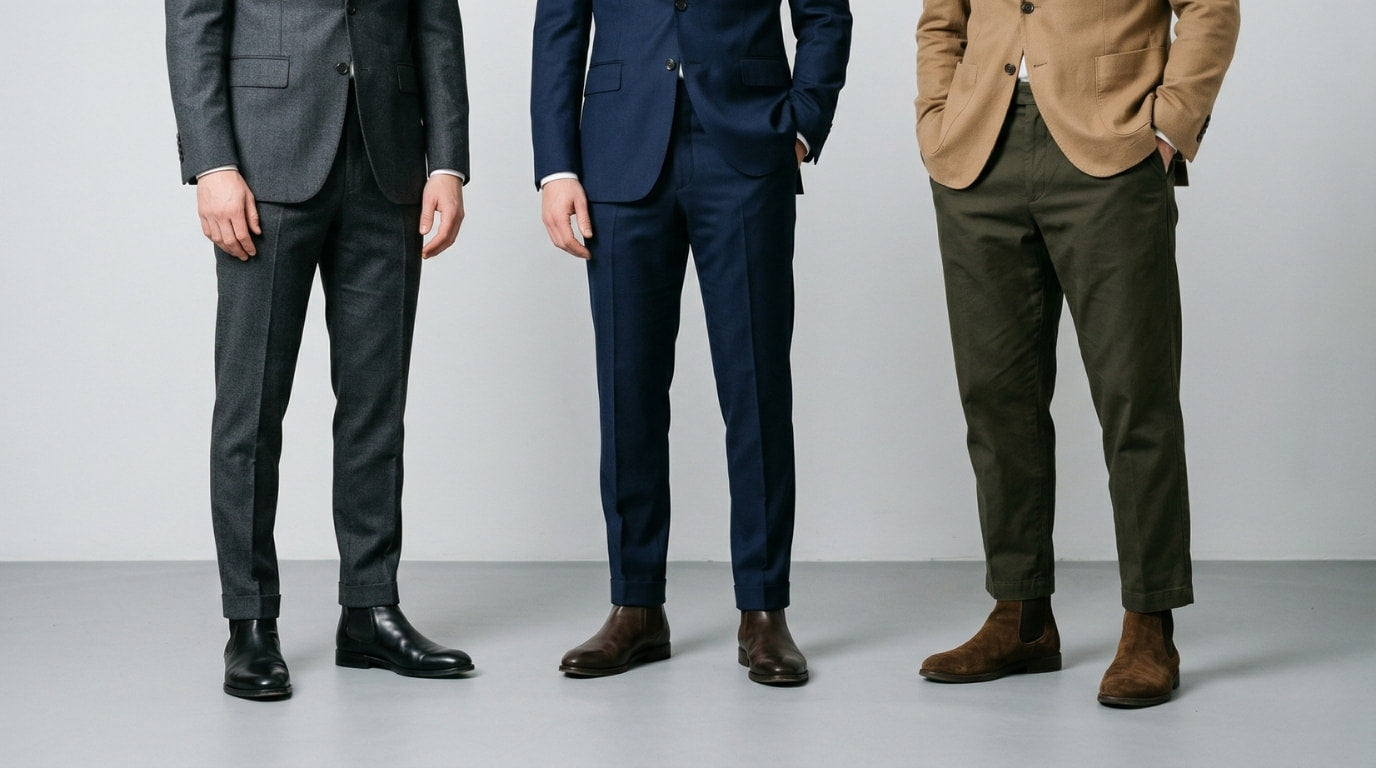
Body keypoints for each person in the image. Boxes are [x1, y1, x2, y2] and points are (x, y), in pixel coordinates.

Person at [914, 0, 1239, 707]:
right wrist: (936, 117)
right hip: (977, 151)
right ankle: (1021, 614)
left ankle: (1150, 622)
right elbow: (942, 18)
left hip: (1111, 145)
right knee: (996, 397)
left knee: (1134, 394)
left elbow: (1210, 7)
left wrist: (1170, 123)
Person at [531, 0, 851, 685]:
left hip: (746, 144)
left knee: (755, 386)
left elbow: (826, 13)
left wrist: (802, 123)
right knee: (628, 389)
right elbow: (558, 21)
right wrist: (556, 168)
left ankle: (764, 612)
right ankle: (636, 605)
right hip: (619, 152)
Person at [166, 0, 474, 700]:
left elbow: (435, 22)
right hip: (263, 162)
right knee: (249, 410)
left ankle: (369, 608)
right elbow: (193, 21)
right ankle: (250, 623)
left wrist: (448, 163)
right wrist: (210, 160)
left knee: (376, 407)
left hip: (388, 159)